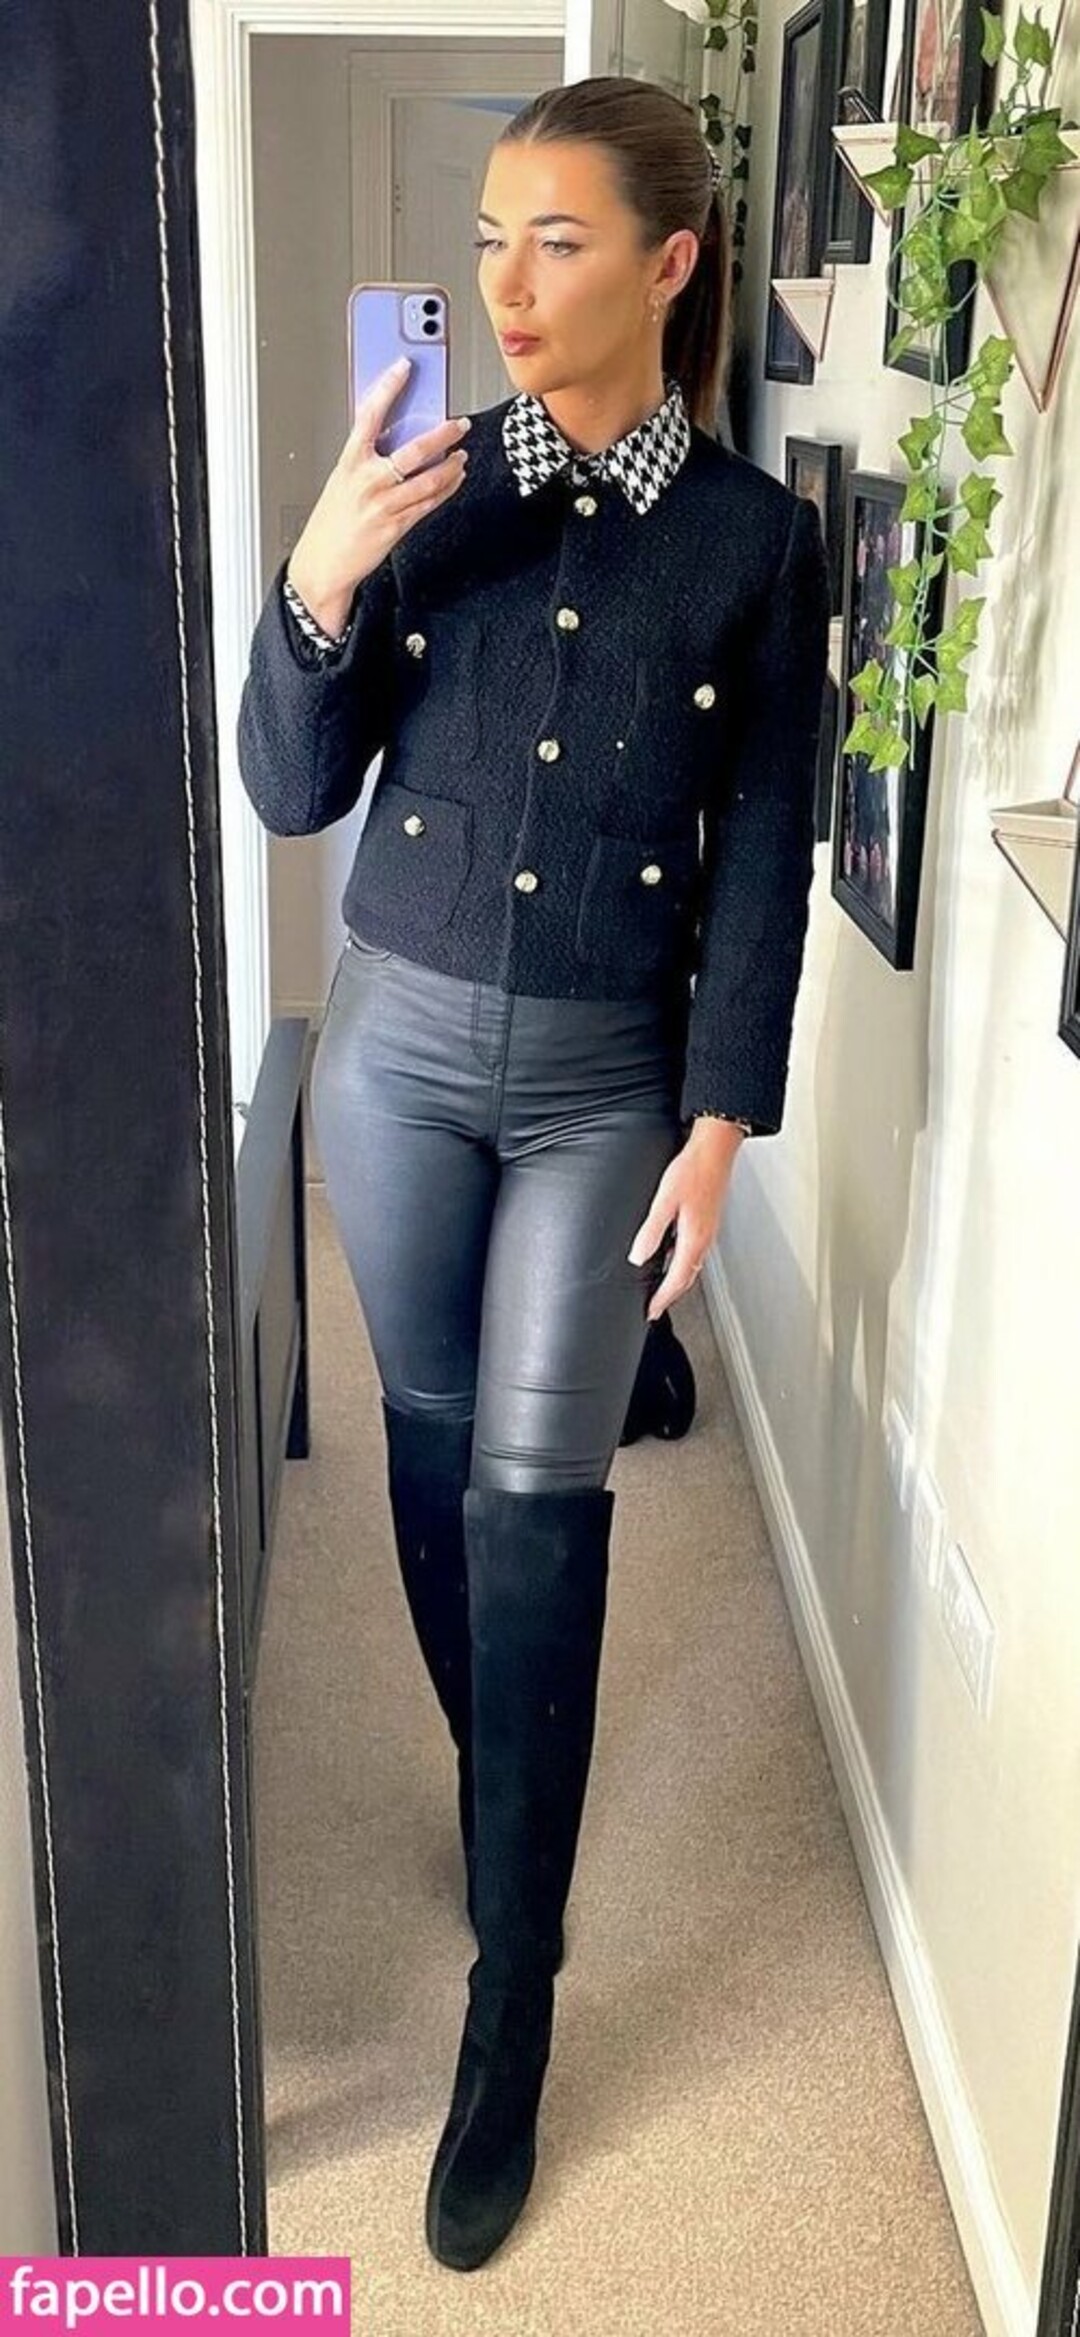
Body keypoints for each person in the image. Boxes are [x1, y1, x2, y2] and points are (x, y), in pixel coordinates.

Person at [237, 74, 830, 2274]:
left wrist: (724, 1114)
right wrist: (317, 580)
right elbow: (290, 789)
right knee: (423, 1440)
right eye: (486, 236)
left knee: (534, 1489)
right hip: (392, 1056)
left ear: (670, 265)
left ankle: (514, 1993)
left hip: (603, 1085)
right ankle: (510, 1801)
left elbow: (768, 841)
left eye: (554, 239)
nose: (502, 281)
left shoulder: (755, 545)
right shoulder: (429, 485)